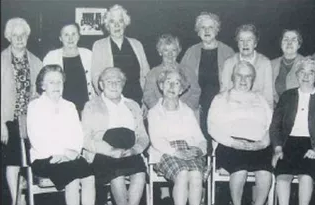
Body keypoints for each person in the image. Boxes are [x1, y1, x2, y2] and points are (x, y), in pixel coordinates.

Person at [270, 58, 315, 205]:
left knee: (306, 177)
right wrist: (278, 149)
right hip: (288, 144)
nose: (306, 76)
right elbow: (275, 126)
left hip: (312, 145)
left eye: (310, 73)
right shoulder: (287, 96)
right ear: (297, 75)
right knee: (282, 177)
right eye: (302, 72)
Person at [27, 65, 95, 205]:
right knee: (73, 178)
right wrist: (59, 153)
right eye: (51, 82)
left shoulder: (69, 106)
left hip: (70, 155)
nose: (56, 85)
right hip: (45, 157)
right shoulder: (35, 107)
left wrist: (74, 151)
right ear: (43, 85)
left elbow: (77, 134)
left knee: (89, 176)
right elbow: (36, 138)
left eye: (59, 81)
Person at [208, 61, 273, 205]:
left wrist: (262, 143)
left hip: (257, 145)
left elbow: (272, 126)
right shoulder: (221, 98)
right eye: (239, 76)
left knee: (265, 173)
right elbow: (212, 127)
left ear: (253, 79)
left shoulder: (261, 99)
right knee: (240, 170)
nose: (243, 80)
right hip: (230, 145)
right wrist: (233, 143)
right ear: (232, 77)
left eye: (248, 76)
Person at [82, 67, 149, 205]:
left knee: (140, 174)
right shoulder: (91, 105)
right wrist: (110, 151)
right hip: (104, 153)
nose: (114, 85)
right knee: (117, 175)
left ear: (123, 84)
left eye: (118, 81)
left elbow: (143, 136)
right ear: (101, 84)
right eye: (109, 81)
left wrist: (135, 149)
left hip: (129, 151)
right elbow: (85, 138)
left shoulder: (133, 105)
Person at [148, 69, 207, 205]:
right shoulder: (154, 112)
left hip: (188, 151)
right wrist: (176, 152)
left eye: (177, 83)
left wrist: (199, 150)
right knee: (182, 174)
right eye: (168, 82)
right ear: (161, 86)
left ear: (181, 90)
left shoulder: (187, 111)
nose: (172, 86)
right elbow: (157, 140)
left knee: (196, 176)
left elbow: (200, 138)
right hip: (165, 152)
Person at [0, 17, 42, 205]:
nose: (19, 39)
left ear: (27, 36)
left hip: (31, 120)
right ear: (8, 37)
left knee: (31, 161)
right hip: (9, 120)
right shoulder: (1, 60)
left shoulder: (35, 61)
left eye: (22, 35)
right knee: (13, 162)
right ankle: (17, 201)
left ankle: (27, 197)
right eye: (15, 35)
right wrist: (1, 123)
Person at [180, 12, 234, 151]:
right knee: (199, 141)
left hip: (221, 104)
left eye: (211, 27)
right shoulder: (191, 52)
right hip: (196, 105)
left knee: (219, 142)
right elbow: (182, 80)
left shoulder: (228, 52)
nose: (207, 31)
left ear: (217, 30)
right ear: (198, 32)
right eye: (203, 27)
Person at [91, 4, 150, 105]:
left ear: (125, 23)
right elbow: (96, 77)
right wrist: (105, 100)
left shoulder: (137, 44)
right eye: (112, 22)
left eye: (120, 21)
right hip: (111, 100)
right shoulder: (99, 45)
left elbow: (146, 74)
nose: (117, 25)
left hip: (137, 100)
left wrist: (145, 102)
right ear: (107, 26)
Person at [43, 23, 94, 116]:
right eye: (66, 35)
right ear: (60, 38)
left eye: (73, 34)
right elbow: (44, 84)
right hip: (60, 109)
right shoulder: (51, 57)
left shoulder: (89, 55)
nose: (70, 38)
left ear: (79, 36)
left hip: (86, 109)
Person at [143, 34, 201, 111]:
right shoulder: (152, 73)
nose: (170, 54)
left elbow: (195, 92)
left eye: (173, 50)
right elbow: (148, 96)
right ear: (160, 52)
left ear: (178, 52)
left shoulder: (188, 71)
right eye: (166, 50)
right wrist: (161, 110)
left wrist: (184, 110)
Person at [221, 24, 273, 108]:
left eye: (249, 40)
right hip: (233, 109)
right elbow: (224, 93)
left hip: (257, 110)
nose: (245, 44)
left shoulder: (265, 63)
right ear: (238, 44)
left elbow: (268, 97)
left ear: (255, 43)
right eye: (241, 40)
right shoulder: (229, 63)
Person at [271, 29, 305, 103]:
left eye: (293, 40)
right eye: (286, 39)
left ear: (299, 45)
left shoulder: (306, 64)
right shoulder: (271, 65)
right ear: (281, 44)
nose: (289, 43)